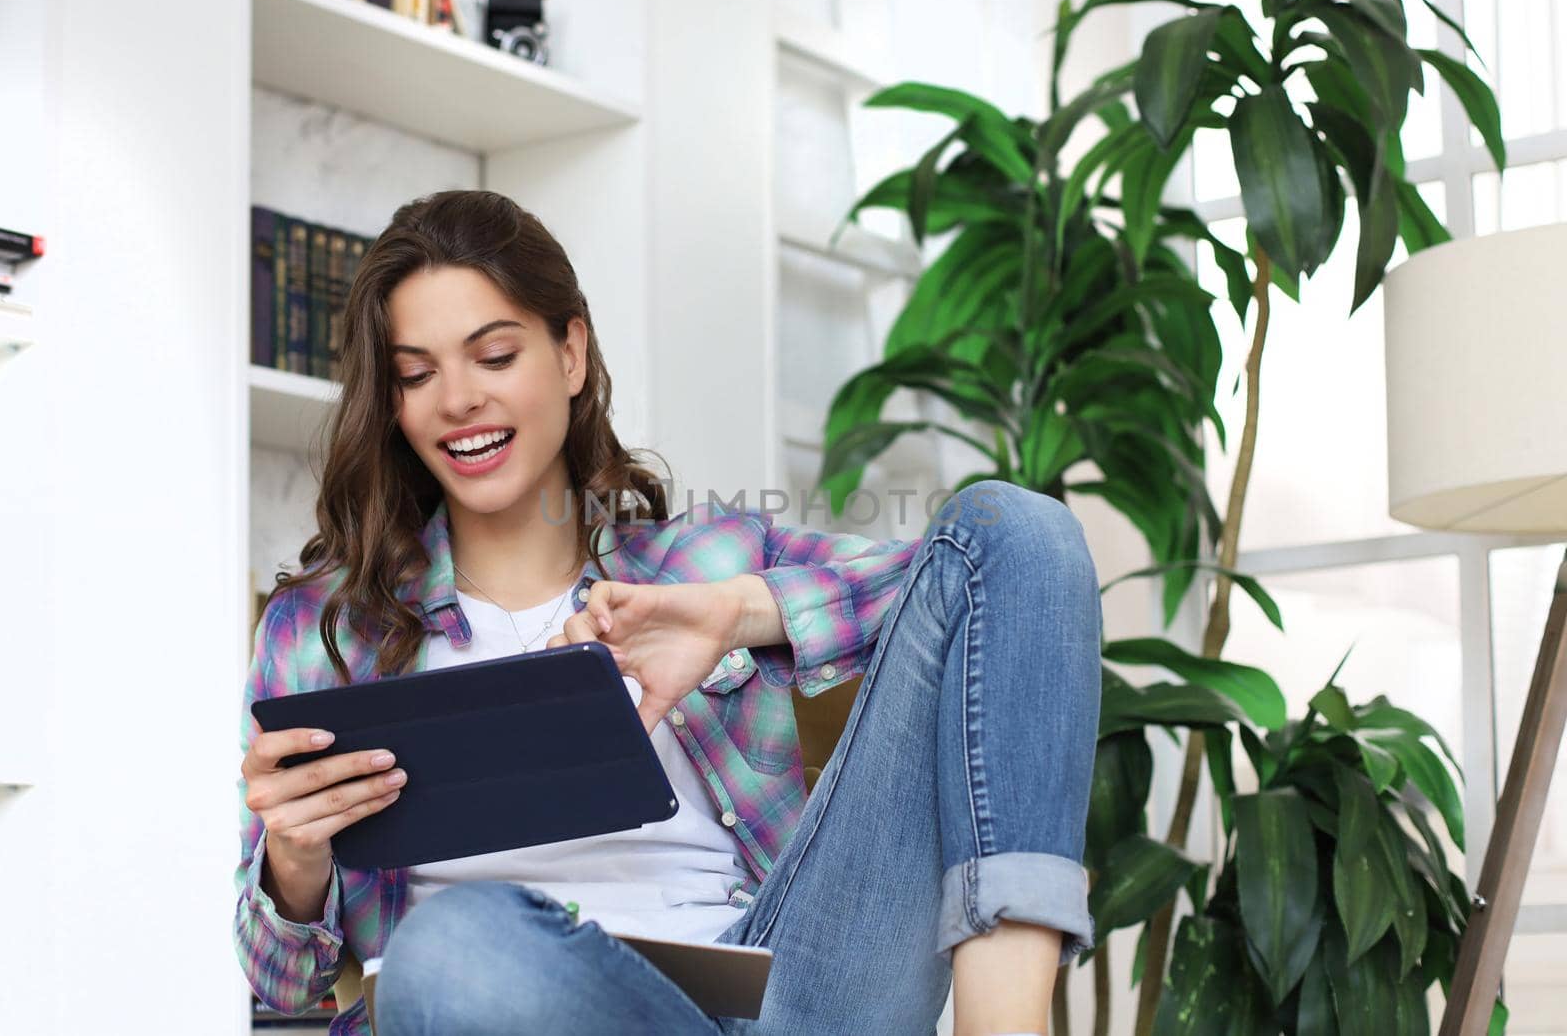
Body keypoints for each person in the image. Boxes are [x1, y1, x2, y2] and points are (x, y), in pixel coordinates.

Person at [234, 190, 1102, 1036]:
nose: (457, 399)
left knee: (1018, 527)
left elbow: (973, 584)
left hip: (791, 998)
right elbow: (281, 988)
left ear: (570, 353)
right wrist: (295, 859)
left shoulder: (703, 561)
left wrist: (736, 612)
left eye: (494, 356)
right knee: (452, 945)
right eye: (416, 374)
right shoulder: (325, 630)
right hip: (510, 994)